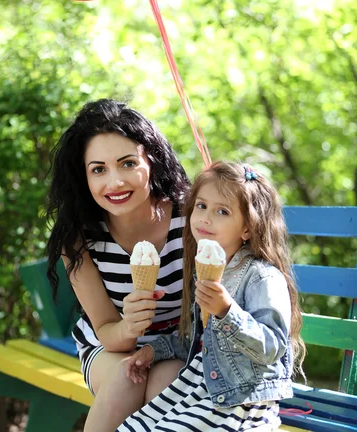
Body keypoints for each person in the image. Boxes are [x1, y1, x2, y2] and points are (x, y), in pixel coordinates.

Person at [120, 161, 306, 432]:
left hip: (241, 401)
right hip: (201, 387)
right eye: (201, 206)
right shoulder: (208, 271)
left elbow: (272, 347)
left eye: (222, 211)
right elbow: (200, 340)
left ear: (248, 228)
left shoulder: (262, 276)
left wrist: (228, 311)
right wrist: (153, 350)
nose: (206, 218)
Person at [46, 99, 190, 432]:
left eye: (127, 164)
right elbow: (109, 330)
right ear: (84, 177)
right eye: (99, 169)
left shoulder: (190, 215)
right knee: (128, 377)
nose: (115, 182)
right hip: (109, 346)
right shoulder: (79, 237)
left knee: (164, 387)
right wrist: (129, 327)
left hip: (179, 344)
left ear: (150, 161)